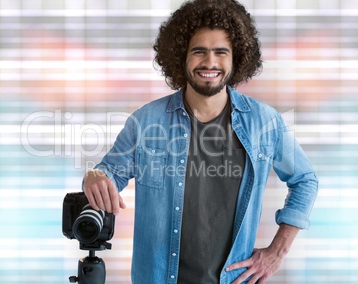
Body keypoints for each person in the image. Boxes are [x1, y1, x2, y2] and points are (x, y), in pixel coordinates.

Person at [82, 0, 319, 283]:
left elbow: (305, 179)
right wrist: (94, 176)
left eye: (221, 52)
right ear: (181, 57)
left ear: (237, 58)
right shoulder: (146, 121)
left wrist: (277, 252)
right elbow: (109, 174)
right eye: (199, 52)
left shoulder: (264, 122)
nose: (210, 62)